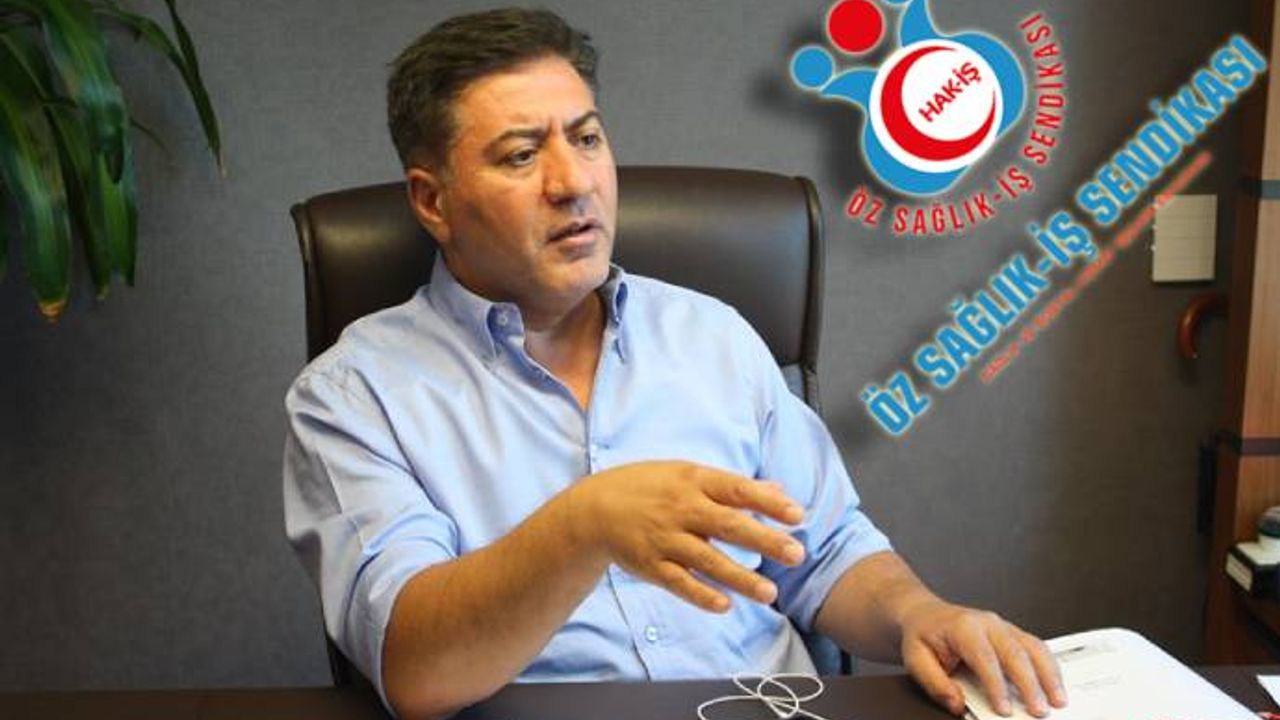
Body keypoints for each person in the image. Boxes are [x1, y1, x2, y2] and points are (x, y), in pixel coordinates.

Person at [283, 8, 1067, 720]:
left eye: (587, 139)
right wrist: (584, 525)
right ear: (433, 201)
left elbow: (825, 552)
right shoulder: (354, 395)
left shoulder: (710, 335)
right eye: (521, 155)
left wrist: (919, 615)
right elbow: (414, 668)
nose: (573, 183)